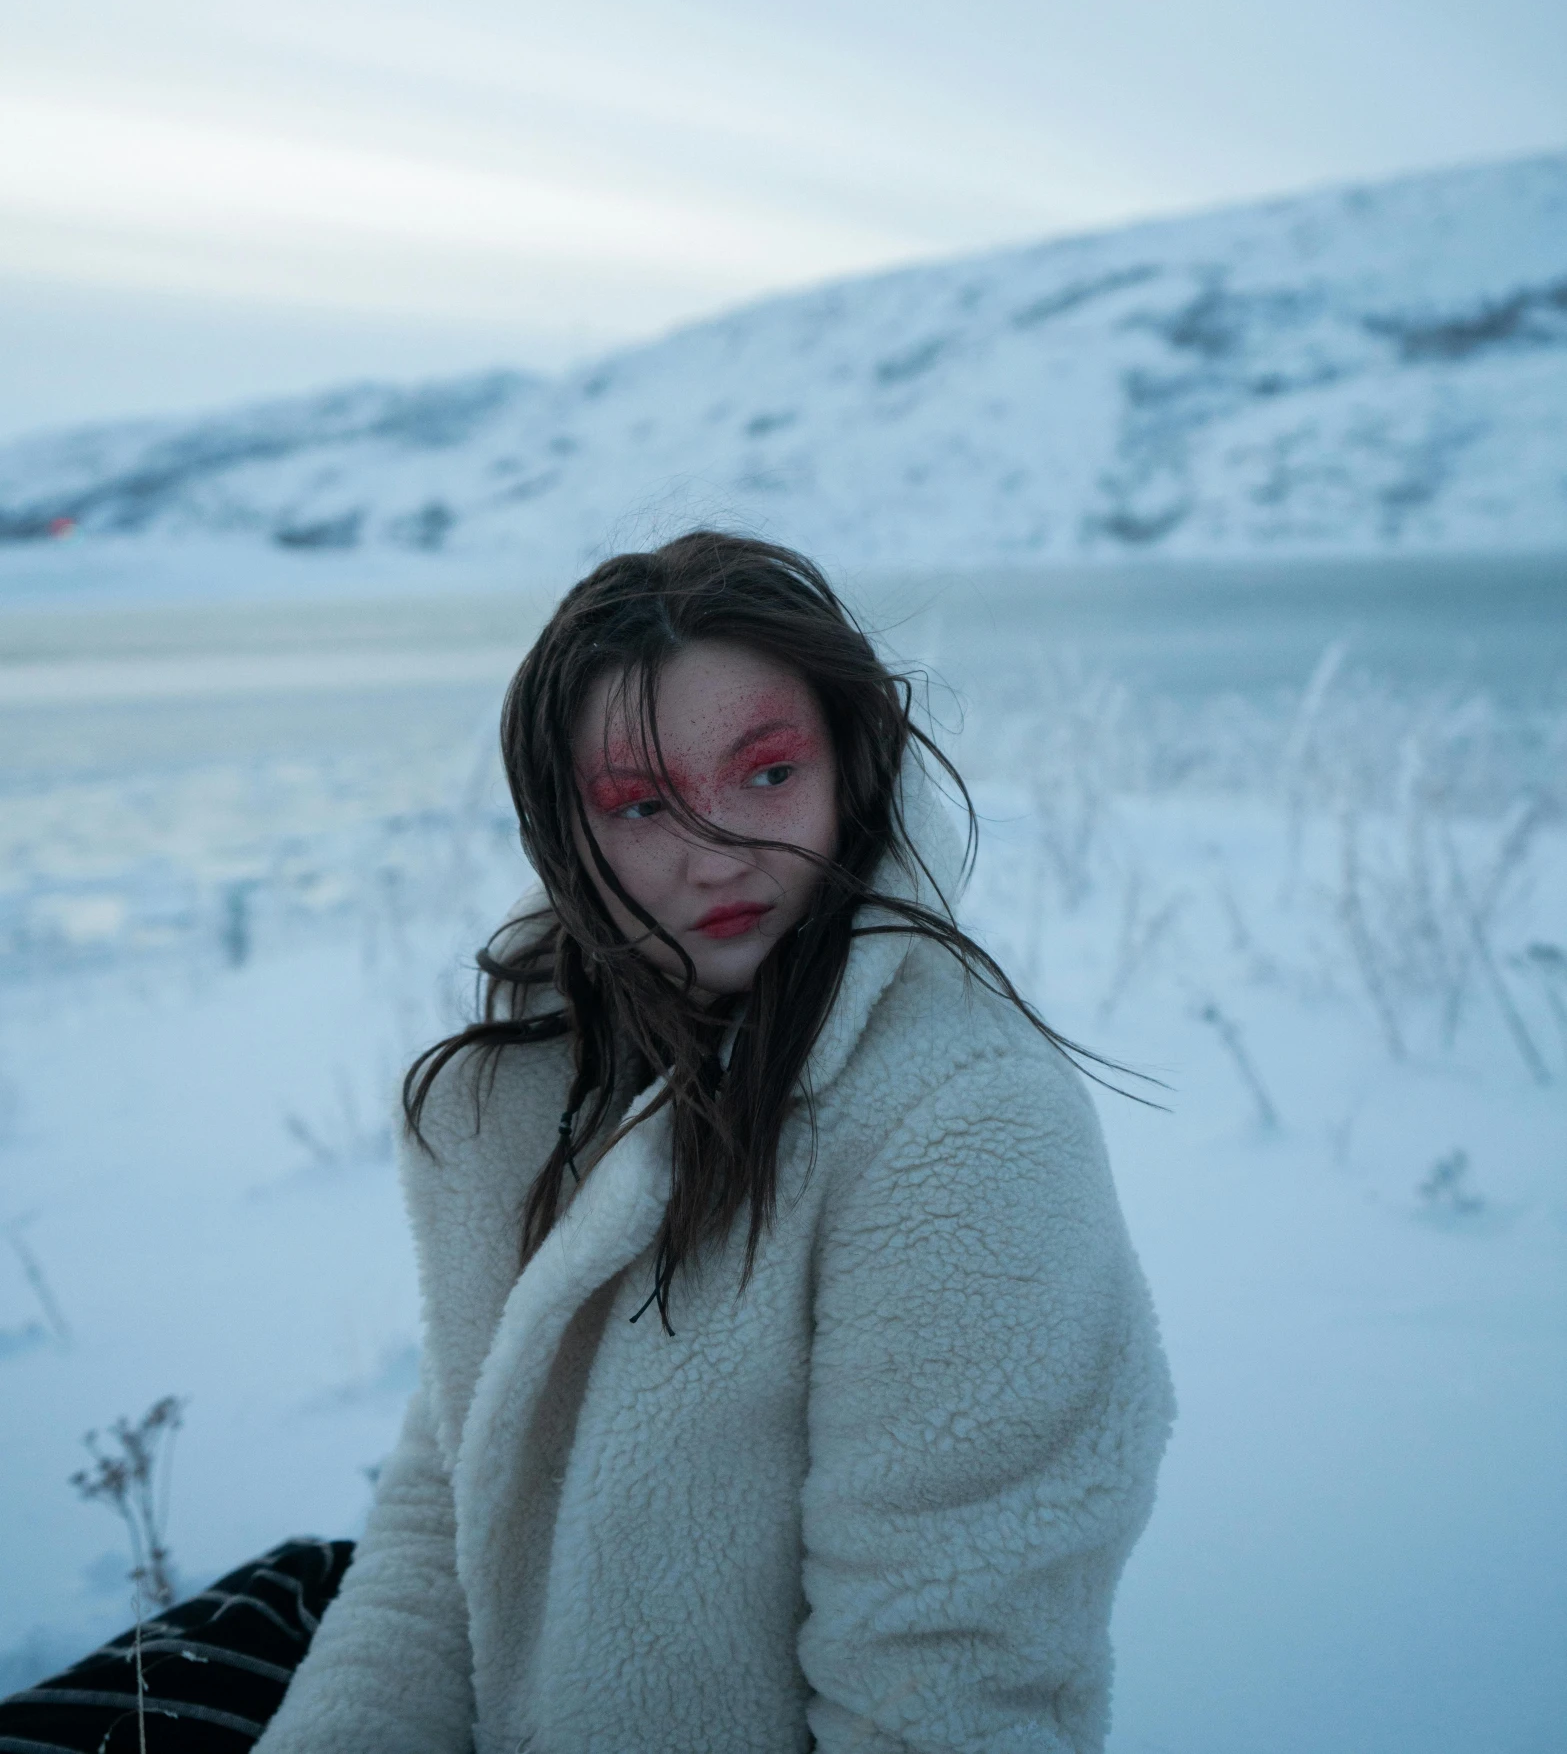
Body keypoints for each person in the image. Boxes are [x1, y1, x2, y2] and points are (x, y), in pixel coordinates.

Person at [4, 530, 1171, 1753]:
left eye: (767, 773)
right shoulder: (547, 1074)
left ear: (853, 763)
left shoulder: (960, 1127)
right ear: (567, 828)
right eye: (639, 802)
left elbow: (944, 1697)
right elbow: (448, 1522)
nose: (717, 851)